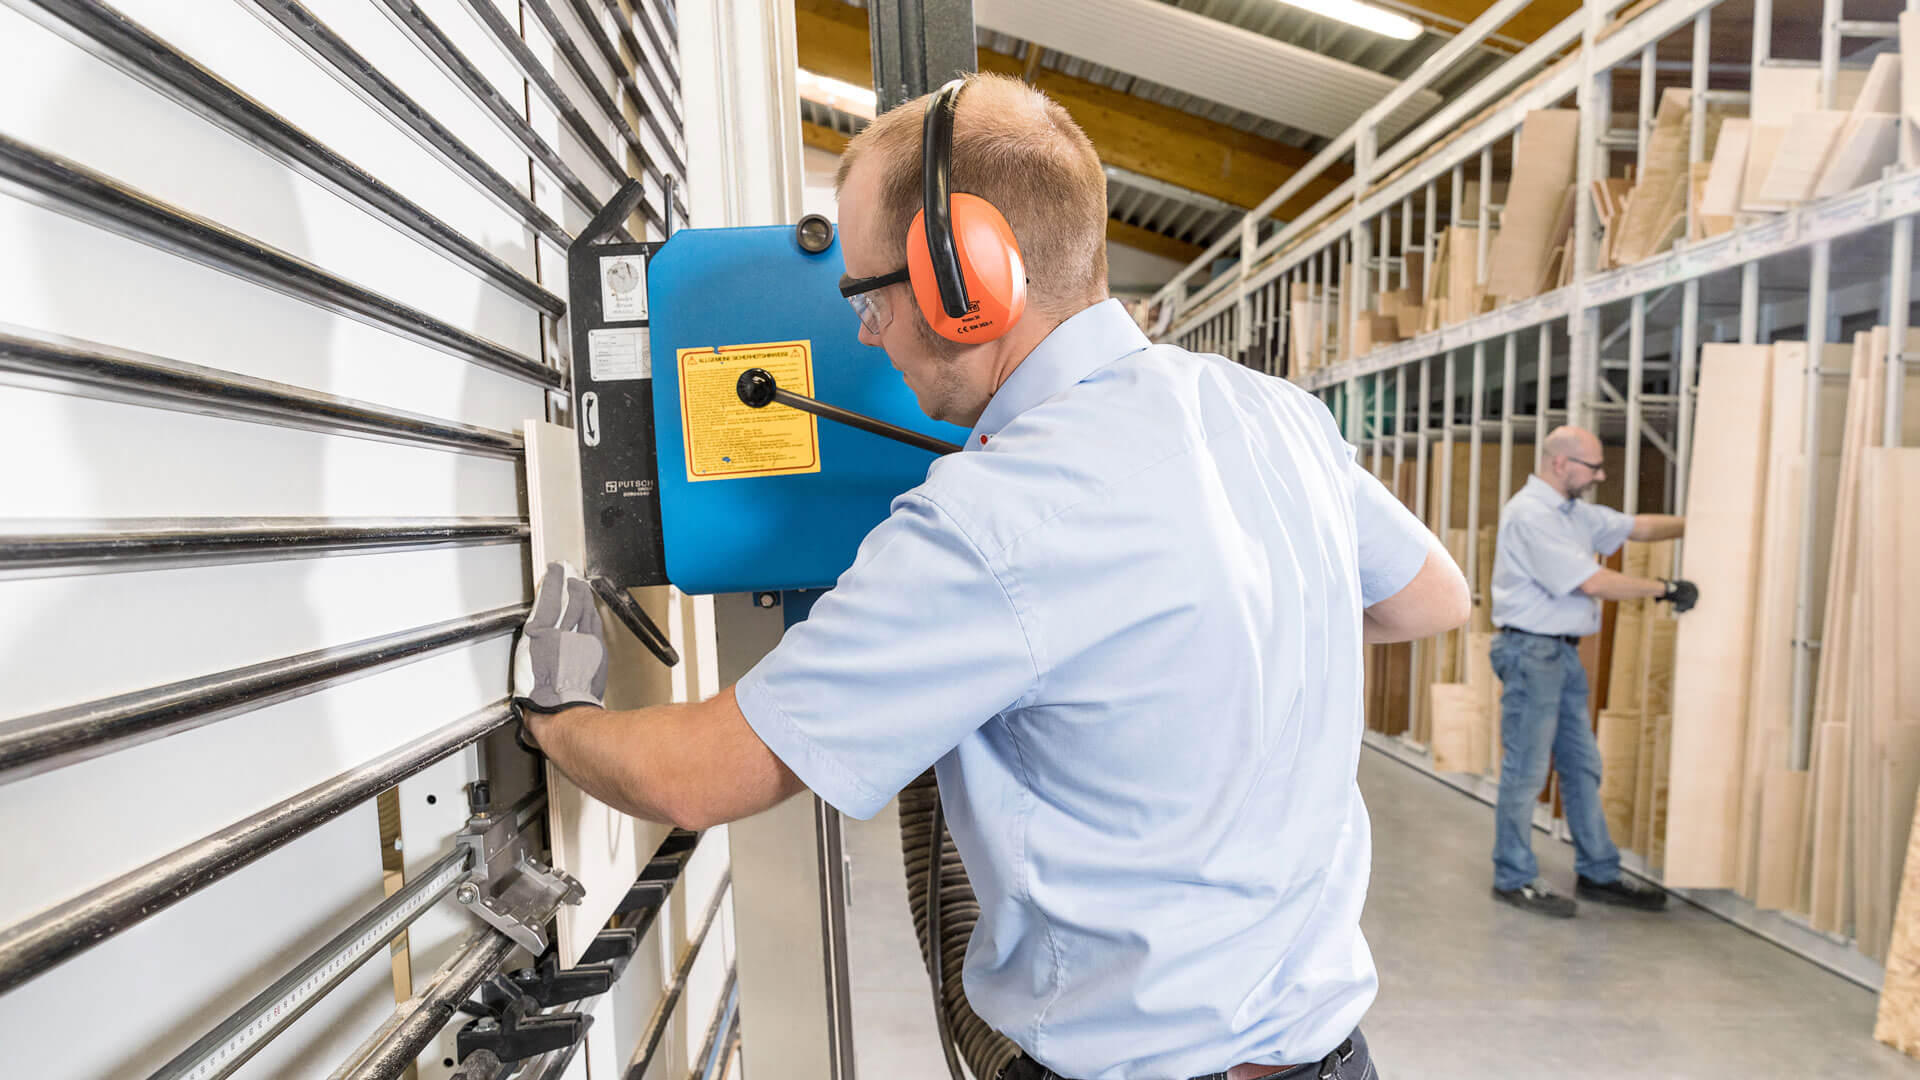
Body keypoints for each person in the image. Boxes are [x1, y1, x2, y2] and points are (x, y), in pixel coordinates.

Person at [512, 73, 1470, 1080]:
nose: (861, 334)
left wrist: (558, 717)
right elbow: (1430, 596)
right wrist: (1214, 627)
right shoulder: (1273, 416)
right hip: (1337, 1059)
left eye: (865, 291)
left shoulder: (991, 520)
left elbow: (694, 778)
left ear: (967, 280)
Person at [1486, 425, 1696, 918]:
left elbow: (1636, 527)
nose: (1601, 476)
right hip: (1532, 654)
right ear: (1561, 464)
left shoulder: (1574, 514)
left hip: (1560, 656)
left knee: (1582, 766)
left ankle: (1598, 873)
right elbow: (1592, 582)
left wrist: (1698, 521)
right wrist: (1663, 588)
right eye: (1593, 467)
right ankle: (1512, 877)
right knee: (1528, 771)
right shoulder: (1531, 515)